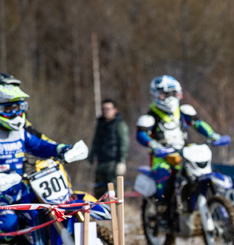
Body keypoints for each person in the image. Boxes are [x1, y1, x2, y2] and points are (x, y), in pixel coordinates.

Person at [0, 78, 73, 245]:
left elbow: (39, 145)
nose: (15, 114)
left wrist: (60, 149)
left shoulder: (20, 133)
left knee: (46, 208)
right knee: (8, 223)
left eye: (18, 108)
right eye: (8, 110)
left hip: (20, 188)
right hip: (1, 196)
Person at [136, 75, 223, 218]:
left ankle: (200, 203)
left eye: (173, 94)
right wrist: (153, 145)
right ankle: (162, 214)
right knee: (164, 181)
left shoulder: (183, 111)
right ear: (157, 95)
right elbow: (141, 134)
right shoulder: (150, 117)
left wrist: (213, 135)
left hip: (184, 154)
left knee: (203, 173)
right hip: (162, 158)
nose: (170, 98)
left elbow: (198, 124)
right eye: (166, 94)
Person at [88, 98, 129, 198]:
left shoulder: (120, 124)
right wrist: (91, 156)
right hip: (101, 162)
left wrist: (122, 161)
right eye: (103, 109)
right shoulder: (100, 123)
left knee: (114, 193)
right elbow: (96, 141)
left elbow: (124, 143)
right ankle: (100, 212)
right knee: (98, 192)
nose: (105, 111)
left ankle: (115, 213)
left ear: (115, 110)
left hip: (113, 163)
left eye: (108, 109)